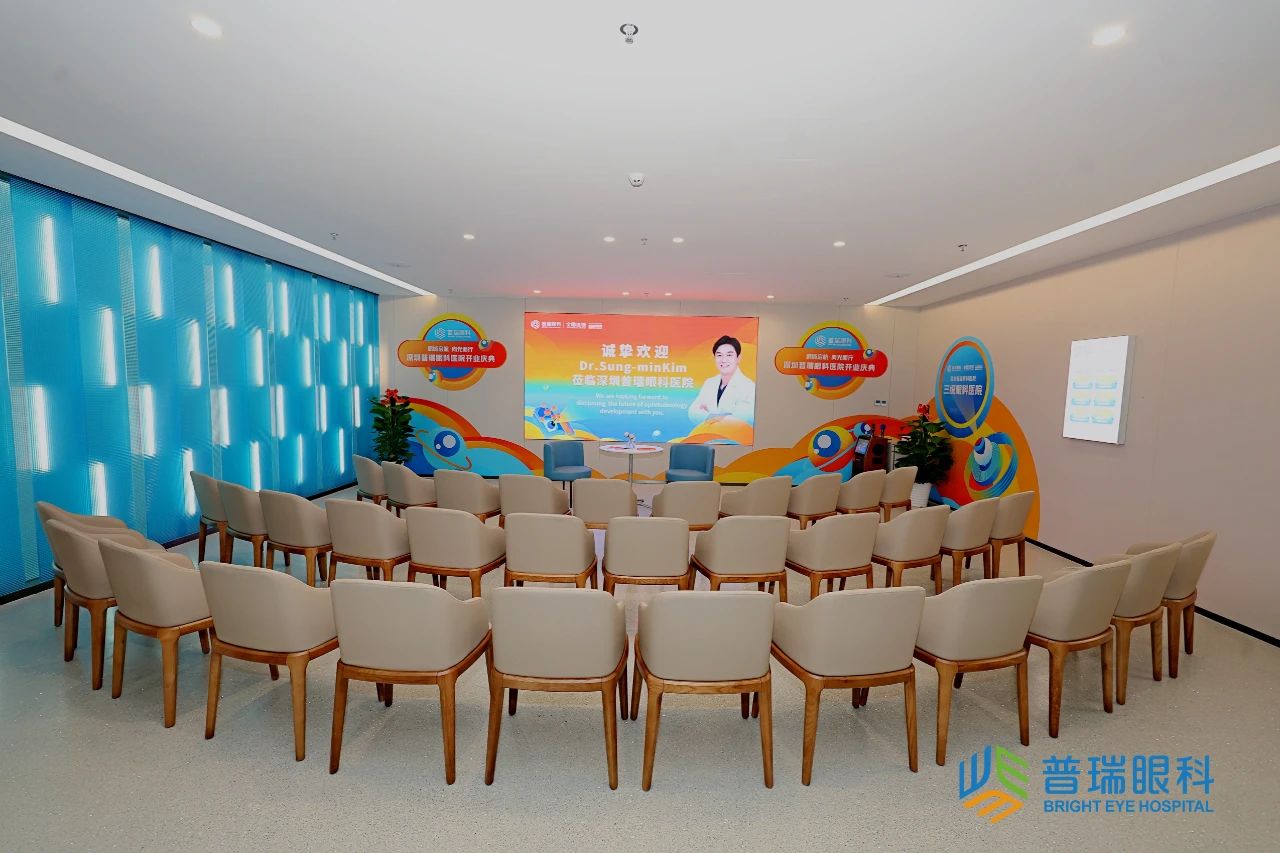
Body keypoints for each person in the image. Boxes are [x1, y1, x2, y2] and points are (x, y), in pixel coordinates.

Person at [688, 335, 755, 426]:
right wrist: (712, 416)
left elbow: (743, 418)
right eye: (719, 355)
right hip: (708, 433)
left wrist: (707, 415)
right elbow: (693, 412)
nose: (723, 360)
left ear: (738, 358)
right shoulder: (709, 383)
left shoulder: (748, 386)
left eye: (729, 355)